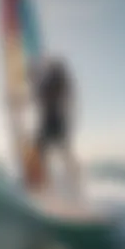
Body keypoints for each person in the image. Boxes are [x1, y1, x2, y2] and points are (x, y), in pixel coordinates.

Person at [27, 57, 80, 195]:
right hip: (56, 122)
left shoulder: (55, 83)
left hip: (53, 122)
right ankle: (67, 182)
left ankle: (44, 184)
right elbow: (40, 96)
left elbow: (41, 95)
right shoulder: (59, 83)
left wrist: (33, 77)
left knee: (49, 151)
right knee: (58, 152)